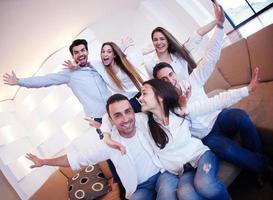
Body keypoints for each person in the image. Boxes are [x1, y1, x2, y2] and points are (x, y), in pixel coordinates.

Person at [26, 94, 178, 200]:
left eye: (127, 111)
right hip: (138, 188)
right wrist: (45, 161)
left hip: (162, 175)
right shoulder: (108, 144)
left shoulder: (143, 120)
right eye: (117, 115)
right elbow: (77, 158)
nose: (125, 119)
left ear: (133, 111)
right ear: (111, 120)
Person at [137, 77, 259, 200]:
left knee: (205, 185)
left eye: (144, 93)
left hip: (202, 157)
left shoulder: (180, 111)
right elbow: (118, 121)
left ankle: (263, 166)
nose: (140, 98)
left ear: (160, 96)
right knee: (186, 196)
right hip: (183, 172)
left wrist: (246, 90)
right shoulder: (142, 122)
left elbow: (215, 102)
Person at [153, 62, 270, 178]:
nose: (170, 80)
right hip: (207, 136)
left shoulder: (190, 83)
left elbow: (215, 102)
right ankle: (265, 167)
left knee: (240, 116)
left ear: (175, 74)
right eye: (164, 80)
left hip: (219, 118)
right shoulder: (168, 109)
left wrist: (247, 89)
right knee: (227, 149)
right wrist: (183, 107)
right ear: (160, 86)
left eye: (171, 74)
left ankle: (258, 165)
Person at [3, 39, 110, 124]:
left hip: (115, 106)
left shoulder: (96, 66)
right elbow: (45, 80)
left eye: (83, 50)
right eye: (76, 52)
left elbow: (112, 63)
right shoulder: (69, 74)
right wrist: (19, 81)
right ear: (73, 56)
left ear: (87, 51)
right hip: (97, 117)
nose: (80, 54)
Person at [144, 0, 225, 82]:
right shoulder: (150, 64)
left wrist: (217, 21)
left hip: (192, 90)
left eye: (162, 39)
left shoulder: (179, 54)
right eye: (155, 40)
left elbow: (198, 34)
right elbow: (155, 86)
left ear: (168, 41)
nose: (158, 42)